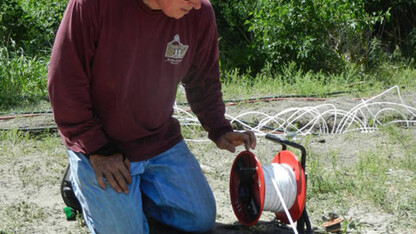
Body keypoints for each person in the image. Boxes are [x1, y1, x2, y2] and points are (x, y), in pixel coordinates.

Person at [47, 0, 256, 233]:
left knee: (199, 220)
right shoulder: (93, 4)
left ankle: (129, 199)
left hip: (158, 139)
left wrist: (219, 127)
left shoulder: (199, 14)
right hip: (101, 144)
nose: (197, 4)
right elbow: (64, 83)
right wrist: (96, 149)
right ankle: (79, 186)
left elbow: (203, 80)